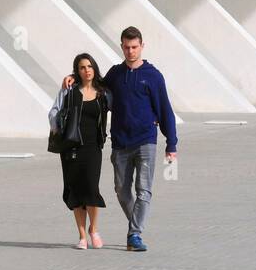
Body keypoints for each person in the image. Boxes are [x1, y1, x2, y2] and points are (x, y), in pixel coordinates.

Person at [62, 27, 177, 252]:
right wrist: (74, 76)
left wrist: (171, 143)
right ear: (122, 47)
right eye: (126, 47)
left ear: (142, 46)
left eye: (134, 47)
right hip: (121, 143)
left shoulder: (153, 76)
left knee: (144, 190)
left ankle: (134, 234)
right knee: (121, 191)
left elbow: (165, 109)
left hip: (146, 141)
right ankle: (136, 225)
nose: (130, 51)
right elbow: (95, 81)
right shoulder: (116, 74)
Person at [49, 53, 110, 249]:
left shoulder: (103, 92)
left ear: (94, 68)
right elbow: (53, 112)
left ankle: (94, 230)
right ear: (78, 71)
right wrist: (59, 129)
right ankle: (82, 236)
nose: (87, 70)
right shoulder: (69, 91)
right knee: (76, 191)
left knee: (91, 189)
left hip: (93, 148)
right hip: (71, 149)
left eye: (90, 66)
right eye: (82, 67)